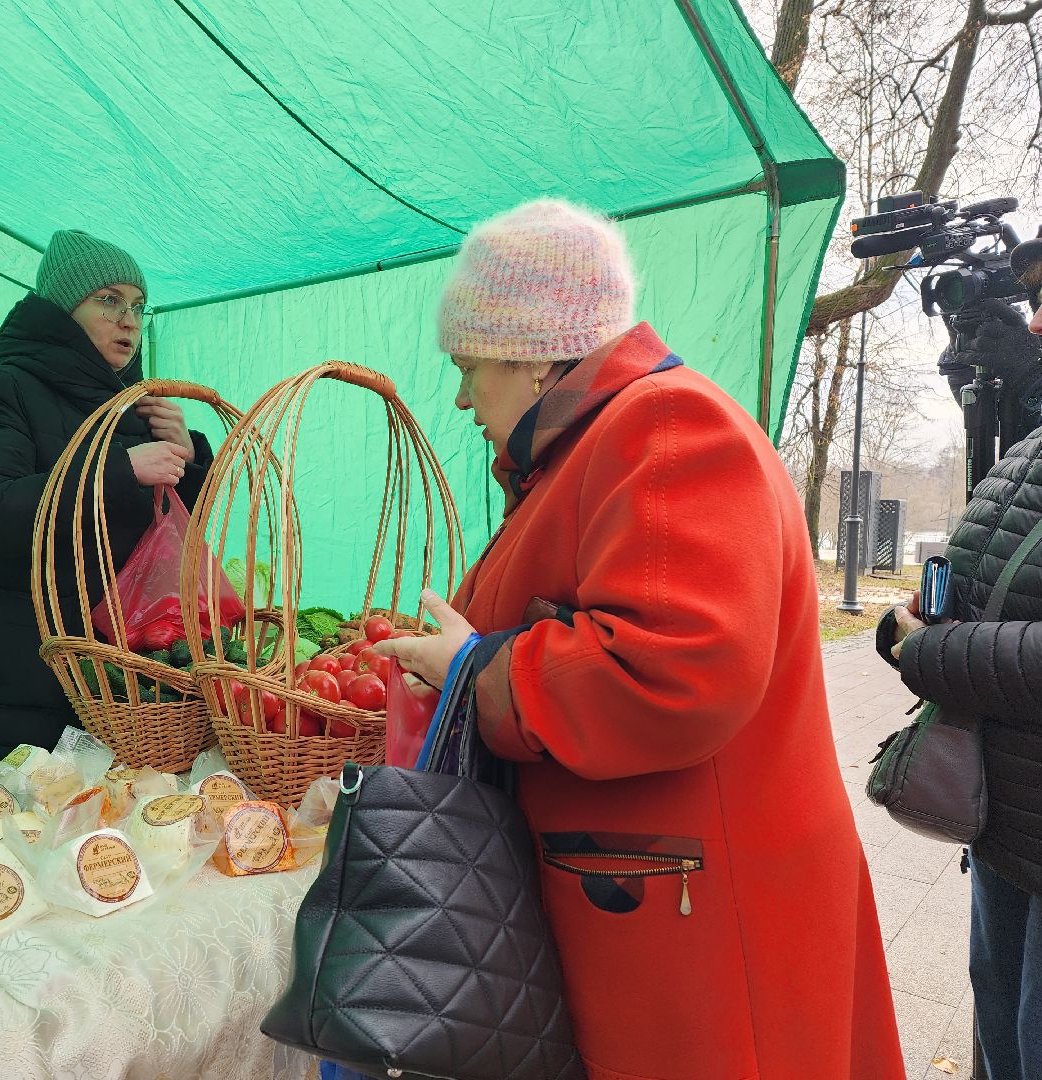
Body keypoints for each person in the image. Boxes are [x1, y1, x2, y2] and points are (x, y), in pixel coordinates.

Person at [373, 199, 905, 1078]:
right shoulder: (584, 450)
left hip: (697, 932)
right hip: (649, 904)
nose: (460, 395)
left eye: (467, 366)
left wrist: (475, 669)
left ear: (537, 356)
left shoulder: (665, 427)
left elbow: (673, 667)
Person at [0, 229, 213, 760]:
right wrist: (120, 470)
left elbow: (173, 538)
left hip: (115, 671)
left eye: (137, 305)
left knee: (103, 826)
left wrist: (190, 460)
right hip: (22, 665)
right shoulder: (6, 388)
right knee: (9, 824)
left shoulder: (136, 408)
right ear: (63, 309)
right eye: (107, 300)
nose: (128, 320)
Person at [881, 237, 1042, 1079]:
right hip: (1009, 821)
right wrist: (921, 613)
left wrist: (937, 653)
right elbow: (988, 559)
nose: (1037, 323)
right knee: (1002, 1029)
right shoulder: (1030, 443)